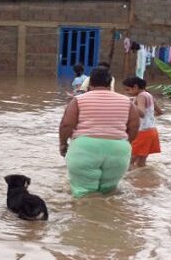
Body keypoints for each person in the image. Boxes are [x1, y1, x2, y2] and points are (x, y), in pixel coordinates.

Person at [59, 67, 140, 197]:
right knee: (109, 193)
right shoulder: (127, 102)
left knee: (84, 193)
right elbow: (134, 126)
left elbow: (66, 124)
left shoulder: (79, 100)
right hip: (118, 150)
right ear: (110, 83)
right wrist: (126, 143)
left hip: (85, 148)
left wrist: (63, 144)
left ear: (90, 83)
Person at [122, 76, 163, 169]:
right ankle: (142, 180)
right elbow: (159, 112)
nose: (127, 93)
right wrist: (150, 117)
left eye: (127, 90)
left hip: (142, 133)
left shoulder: (140, 96)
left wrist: (129, 103)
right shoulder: (149, 95)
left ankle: (131, 182)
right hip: (152, 131)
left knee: (130, 161)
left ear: (135, 87)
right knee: (141, 163)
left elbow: (142, 113)